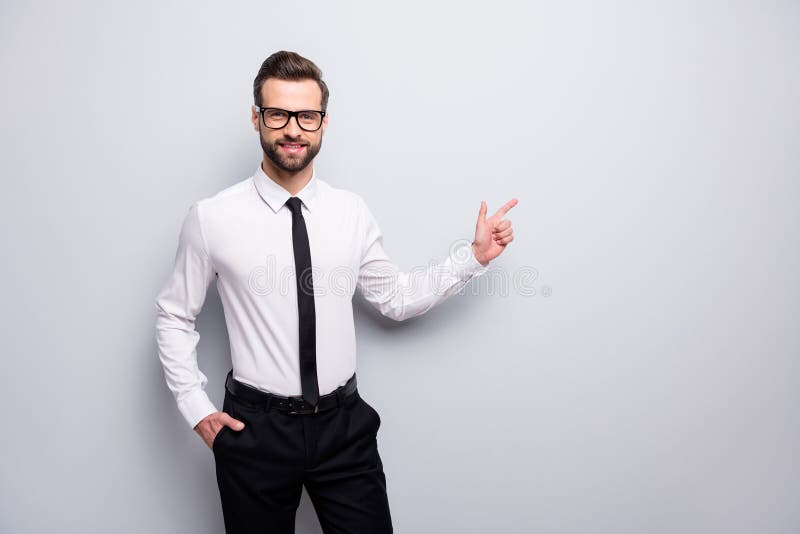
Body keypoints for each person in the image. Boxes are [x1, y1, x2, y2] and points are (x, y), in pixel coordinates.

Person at [154, 50, 517, 534]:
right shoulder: (212, 217)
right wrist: (196, 410)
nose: (293, 129)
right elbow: (174, 316)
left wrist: (472, 257)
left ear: (323, 121)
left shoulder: (351, 212)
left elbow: (396, 298)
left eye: (307, 115)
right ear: (256, 117)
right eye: (278, 113)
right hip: (256, 432)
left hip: (344, 428)